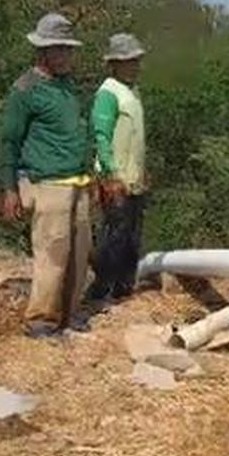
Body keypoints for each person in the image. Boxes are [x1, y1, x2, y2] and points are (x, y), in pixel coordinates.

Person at [0, 13, 93, 339]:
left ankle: (71, 313)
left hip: (78, 181)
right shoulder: (26, 89)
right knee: (52, 256)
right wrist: (10, 188)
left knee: (79, 254)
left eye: (69, 49)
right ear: (43, 51)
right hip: (47, 183)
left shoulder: (67, 86)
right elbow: (10, 140)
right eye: (60, 49)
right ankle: (41, 320)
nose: (67, 55)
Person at [87, 33, 147, 306]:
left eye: (135, 61)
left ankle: (124, 287)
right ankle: (101, 289)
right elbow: (101, 135)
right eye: (127, 61)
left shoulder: (132, 91)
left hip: (134, 176)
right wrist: (111, 173)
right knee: (115, 234)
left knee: (132, 234)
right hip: (116, 177)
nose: (133, 66)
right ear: (114, 64)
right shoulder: (108, 93)